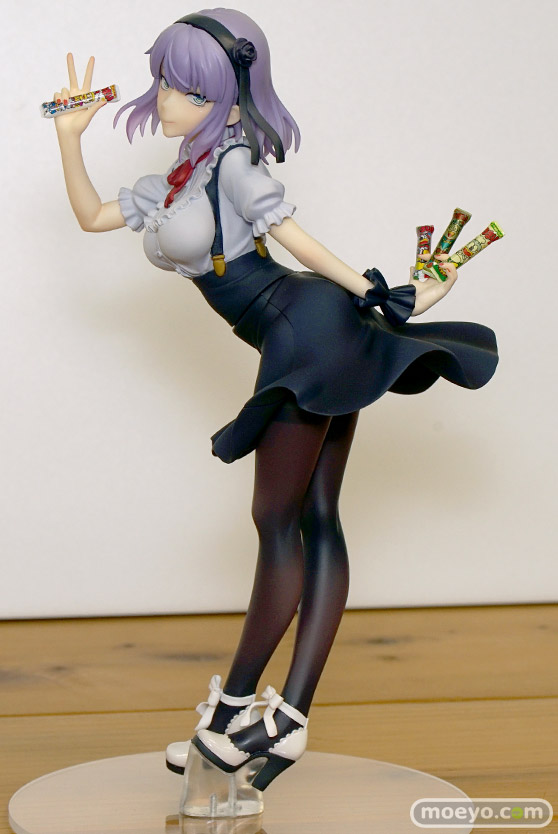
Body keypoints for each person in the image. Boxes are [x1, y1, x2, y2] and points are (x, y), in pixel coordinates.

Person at [51, 8, 498, 792]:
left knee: (278, 520)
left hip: (307, 327)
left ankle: (250, 713)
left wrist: (386, 295)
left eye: (188, 88)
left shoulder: (233, 164)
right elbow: (92, 217)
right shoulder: (174, 181)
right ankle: (268, 717)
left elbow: (296, 241)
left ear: (227, 98)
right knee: (311, 518)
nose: (167, 99)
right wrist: (69, 137)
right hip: (298, 331)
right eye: (165, 82)